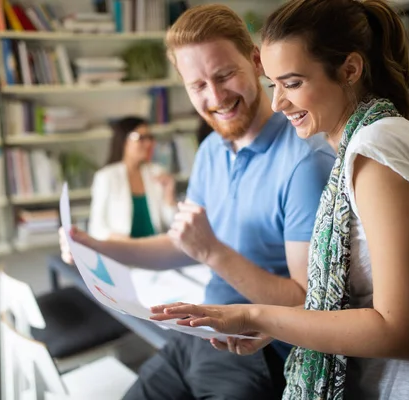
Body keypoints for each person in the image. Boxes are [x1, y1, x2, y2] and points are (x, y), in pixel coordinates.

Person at [150, 0, 409, 399]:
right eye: (274, 85)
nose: (278, 103)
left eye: (293, 83)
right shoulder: (363, 144)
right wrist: (273, 326)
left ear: (350, 70)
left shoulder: (378, 151)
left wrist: (253, 313)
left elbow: (401, 332)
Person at [59, 4, 335, 399]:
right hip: (199, 334)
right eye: (198, 85)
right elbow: (183, 245)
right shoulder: (211, 151)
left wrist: (214, 253)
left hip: (261, 350)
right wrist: (94, 245)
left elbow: (305, 303)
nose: (216, 96)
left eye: (225, 75)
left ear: (256, 61)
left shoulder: (305, 162)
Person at [86, 116, 177, 240]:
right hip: (121, 252)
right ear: (124, 141)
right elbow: (96, 228)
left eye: (150, 138)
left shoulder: (157, 172)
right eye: (141, 138)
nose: (148, 143)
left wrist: (169, 193)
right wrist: (122, 241)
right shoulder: (106, 177)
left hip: (155, 250)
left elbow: (173, 224)